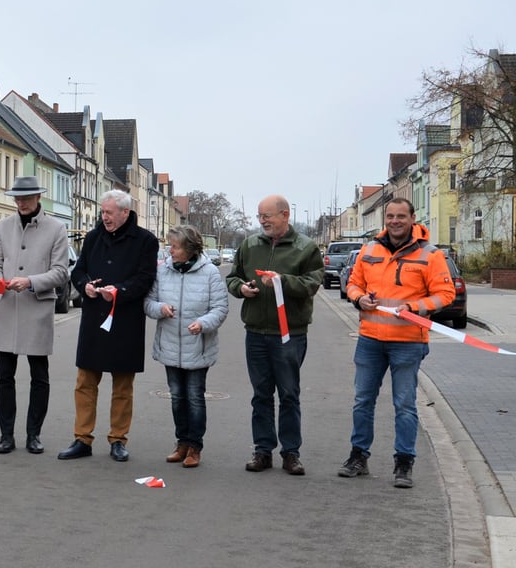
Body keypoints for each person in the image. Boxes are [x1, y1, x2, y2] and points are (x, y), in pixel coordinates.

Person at [339, 198, 455, 488]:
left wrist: (415, 308)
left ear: (413, 218)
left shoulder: (430, 254)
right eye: (390, 216)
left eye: (401, 216)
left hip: (408, 342)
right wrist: (358, 298)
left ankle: (404, 463)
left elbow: (445, 294)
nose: (394, 221)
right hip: (370, 340)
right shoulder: (369, 250)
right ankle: (358, 457)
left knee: (404, 405)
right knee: (362, 401)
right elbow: (353, 284)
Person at [58, 190, 158, 462]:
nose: (104, 217)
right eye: (103, 212)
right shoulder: (93, 237)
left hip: (125, 320)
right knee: (85, 382)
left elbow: (145, 278)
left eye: (109, 213)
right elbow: (78, 270)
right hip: (94, 318)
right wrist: (85, 285)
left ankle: (118, 439)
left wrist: (120, 291)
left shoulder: (145, 241)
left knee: (123, 386)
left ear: (125, 213)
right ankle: (82, 438)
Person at [226, 194, 323, 475]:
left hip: (289, 333)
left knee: (289, 394)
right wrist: (241, 289)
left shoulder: (305, 248)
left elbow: (312, 282)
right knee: (261, 395)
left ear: (285, 215)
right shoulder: (249, 244)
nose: (263, 221)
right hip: (256, 331)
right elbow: (233, 277)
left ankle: (291, 453)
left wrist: (283, 282)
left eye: (267, 216)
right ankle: (262, 450)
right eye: (260, 217)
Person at [0, 177, 70, 455]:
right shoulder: (2, 226)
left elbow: (61, 272)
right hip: (6, 306)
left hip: (36, 307)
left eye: (26, 198)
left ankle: (34, 434)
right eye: (17, 198)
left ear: (38, 198)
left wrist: (31, 281)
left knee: (39, 377)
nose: (20, 203)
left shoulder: (56, 228)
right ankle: (6, 435)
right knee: (4, 377)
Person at [144, 225, 228, 467]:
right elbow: (148, 302)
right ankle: (181, 442)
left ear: (190, 249)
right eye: (170, 245)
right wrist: (161, 308)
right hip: (170, 344)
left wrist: (202, 323)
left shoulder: (210, 273)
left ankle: (194, 446)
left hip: (198, 345)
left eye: (175, 246)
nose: (170, 250)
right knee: (177, 396)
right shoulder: (163, 272)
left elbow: (220, 309)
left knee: (194, 396)